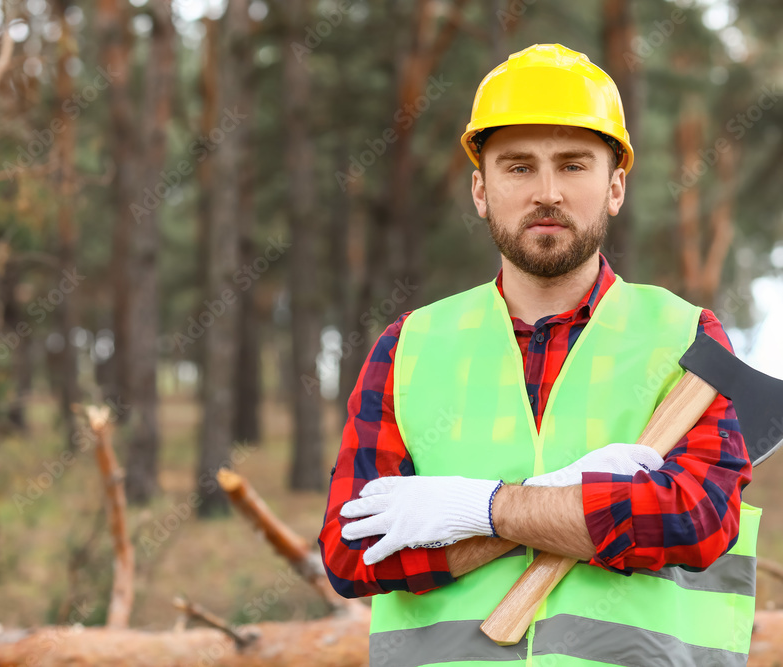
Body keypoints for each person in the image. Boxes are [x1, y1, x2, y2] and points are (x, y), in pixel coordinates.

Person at [319, 43, 760, 666]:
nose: (547, 192)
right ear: (481, 190)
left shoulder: (686, 338)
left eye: (574, 165)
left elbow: (697, 518)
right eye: (519, 167)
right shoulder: (409, 347)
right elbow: (351, 553)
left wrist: (479, 510)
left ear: (615, 187)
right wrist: (569, 504)